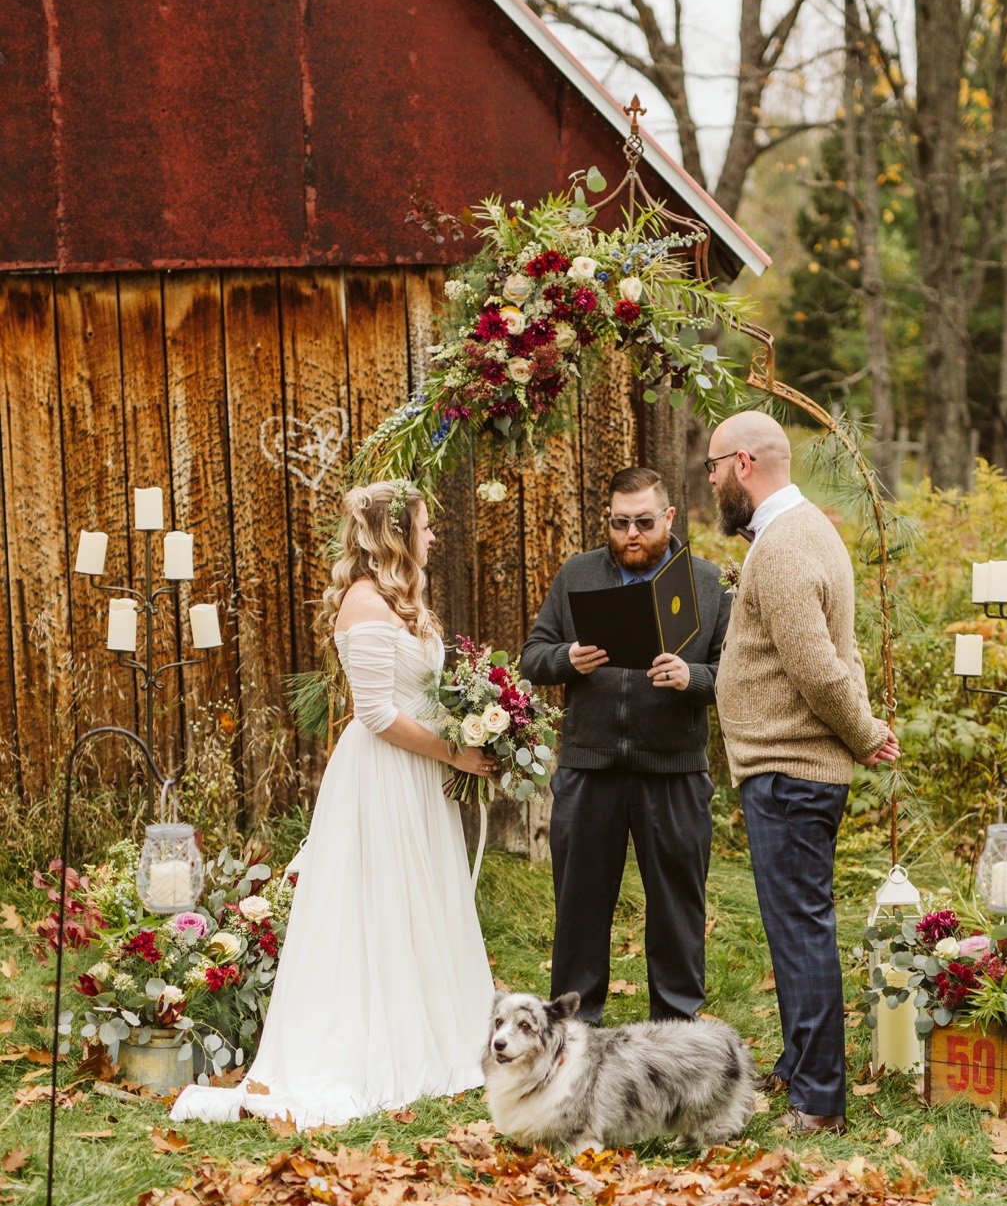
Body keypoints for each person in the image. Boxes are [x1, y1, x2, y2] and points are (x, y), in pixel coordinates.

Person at [172, 482, 495, 1128]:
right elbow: (375, 714)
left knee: (419, 901)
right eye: (425, 527)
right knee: (379, 906)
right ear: (397, 534)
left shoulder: (405, 599)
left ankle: (437, 1025)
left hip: (419, 774)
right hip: (382, 775)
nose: (433, 537)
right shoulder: (365, 604)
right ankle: (376, 1044)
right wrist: (455, 753)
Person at [706, 411, 899, 1134]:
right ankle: (800, 1061)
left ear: (745, 462)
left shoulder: (784, 544)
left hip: (790, 768)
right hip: (790, 767)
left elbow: (820, 668)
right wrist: (863, 729)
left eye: (714, 465)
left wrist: (865, 733)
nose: (712, 479)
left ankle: (818, 1100)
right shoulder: (805, 529)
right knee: (796, 925)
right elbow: (842, 654)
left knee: (801, 931)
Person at [521, 466, 730, 1026]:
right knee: (580, 909)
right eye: (619, 523)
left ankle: (677, 1032)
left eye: (642, 522)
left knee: (677, 911)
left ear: (666, 518)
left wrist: (696, 678)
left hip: (675, 770)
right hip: (589, 769)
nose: (631, 534)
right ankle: (572, 1030)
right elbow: (533, 653)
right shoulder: (578, 574)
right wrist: (567, 658)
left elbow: (735, 672)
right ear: (607, 521)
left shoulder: (705, 582)